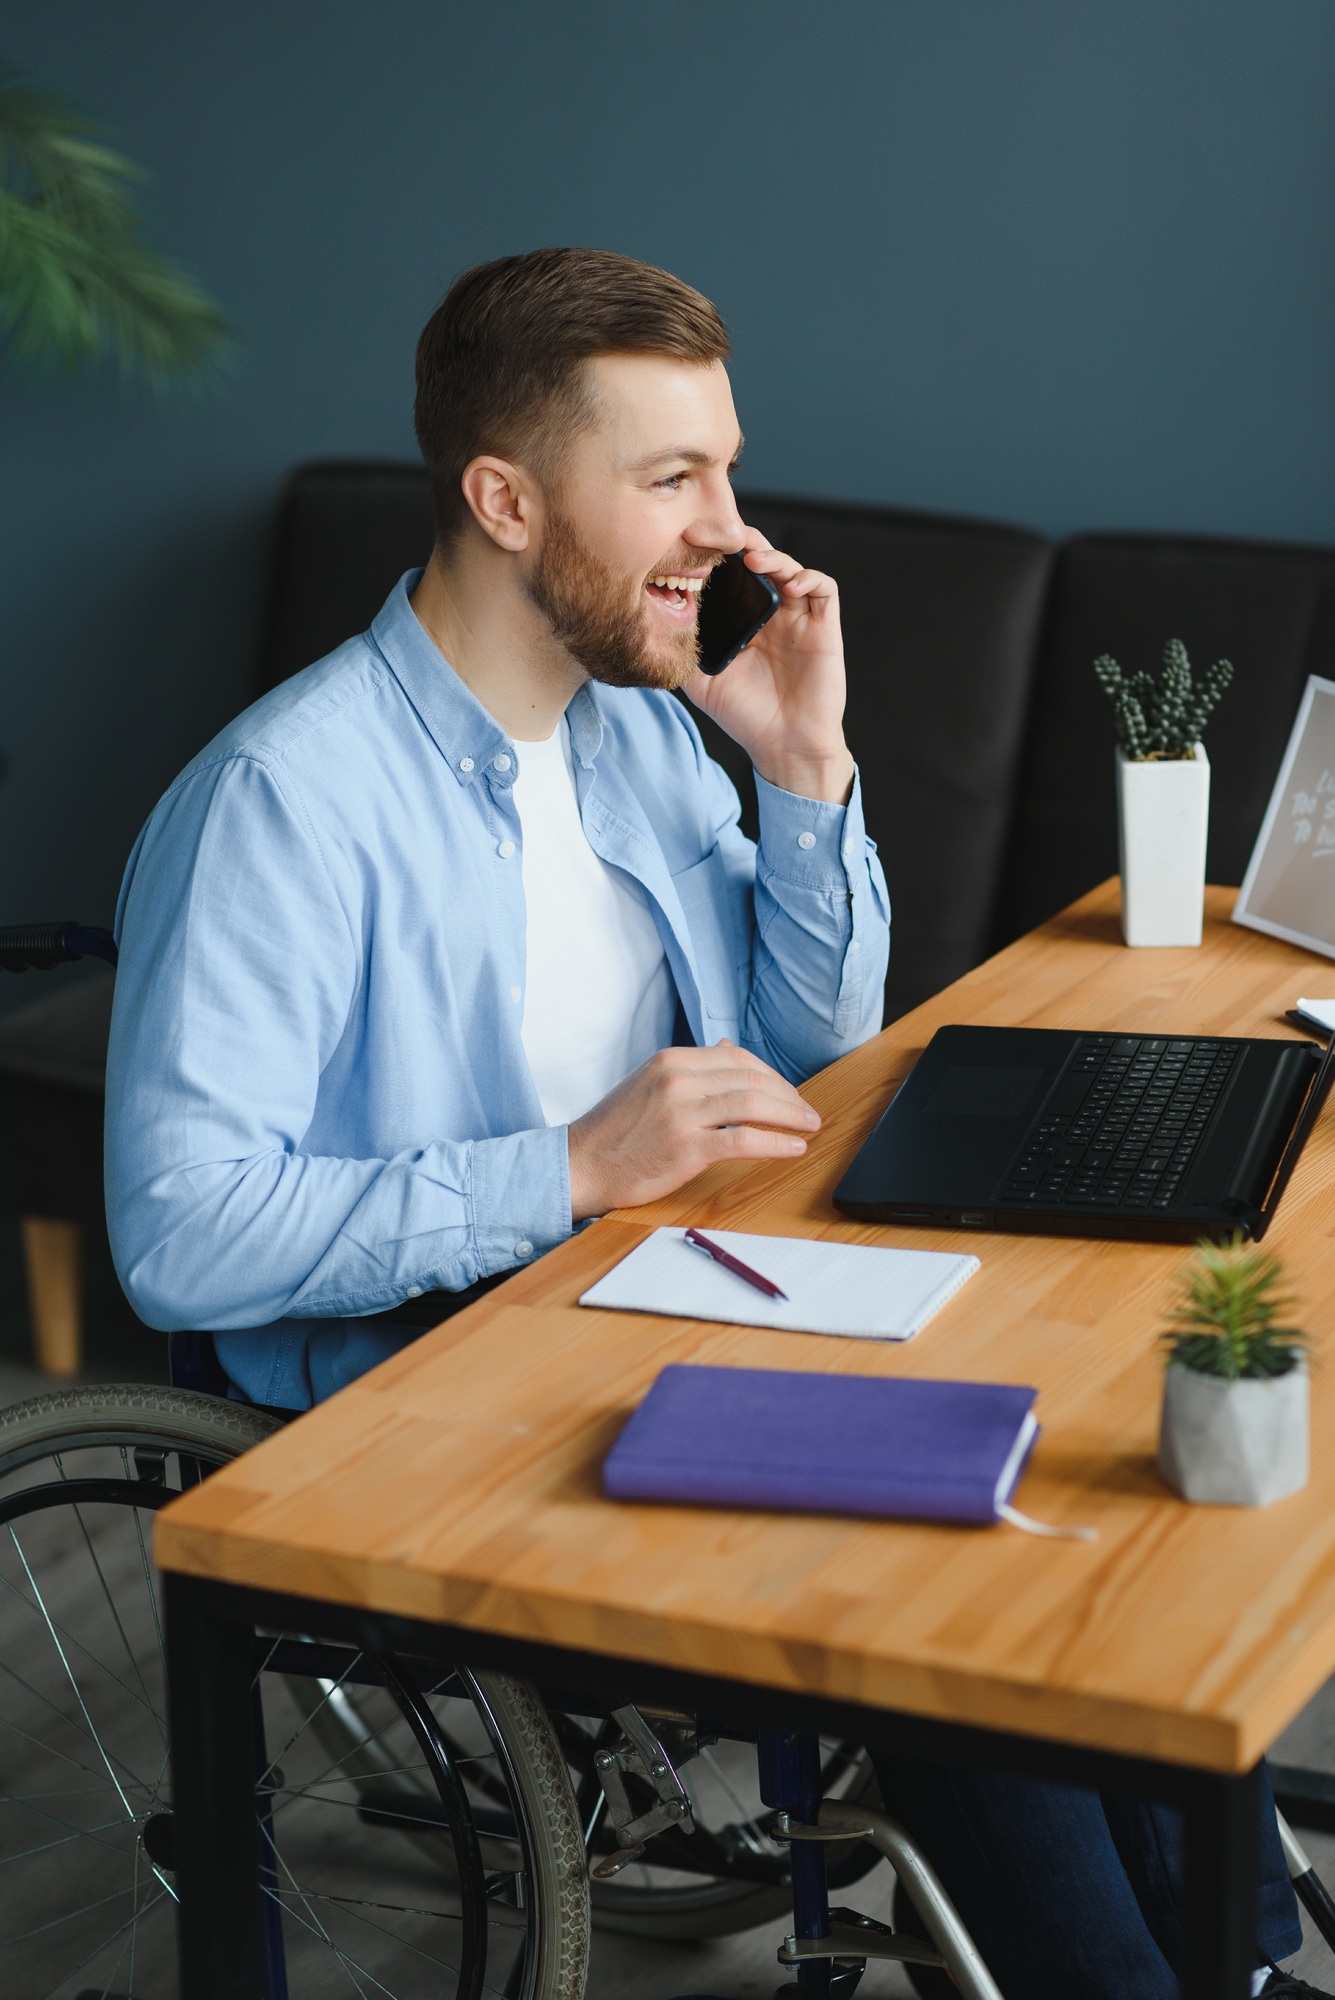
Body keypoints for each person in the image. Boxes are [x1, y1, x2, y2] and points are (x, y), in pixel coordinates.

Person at [105, 248, 1316, 2000]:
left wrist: (802, 770)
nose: (729, 529)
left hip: (662, 1290)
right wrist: (573, 1170)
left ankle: (1246, 1962)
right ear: (505, 497)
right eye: (671, 478)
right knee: (919, 1577)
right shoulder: (282, 805)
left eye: (725, 469)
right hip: (420, 1389)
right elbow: (179, 1227)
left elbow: (809, 1063)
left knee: (1057, 1438)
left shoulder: (638, 732)